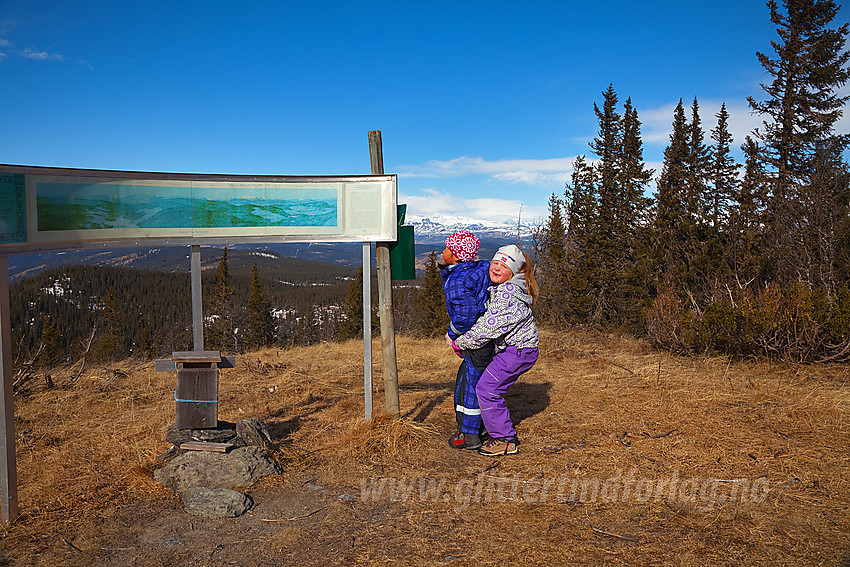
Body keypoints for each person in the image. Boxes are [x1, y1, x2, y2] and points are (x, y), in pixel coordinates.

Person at [452, 244, 538, 457]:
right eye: (495, 263)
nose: (497, 268)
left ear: (514, 271)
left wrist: (460, 342)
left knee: (487, 389)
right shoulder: (502, 288)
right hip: (515, 349)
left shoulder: (508, 294)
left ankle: (504, 439)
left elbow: (488, 327)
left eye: (504, 265)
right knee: (488, 387)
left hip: (517, 351)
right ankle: (491, 427)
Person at [440, 230, 495, 450]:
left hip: (474, 339)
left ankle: (470, 433)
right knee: (475, 379)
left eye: (446, 249)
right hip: (487, 335)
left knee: (471, 385)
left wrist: (452, 333)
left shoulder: (457, 281)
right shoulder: (481, 267)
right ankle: (482, 425)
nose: (442, 252)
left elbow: (464, 315)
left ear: (455, 256)